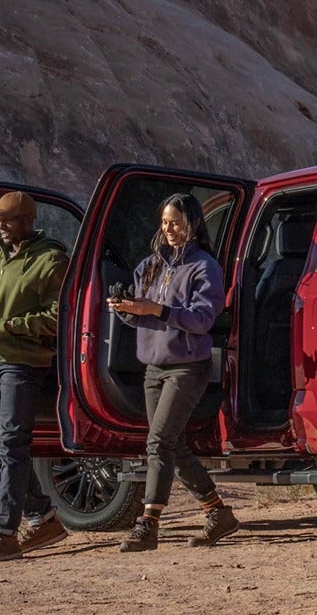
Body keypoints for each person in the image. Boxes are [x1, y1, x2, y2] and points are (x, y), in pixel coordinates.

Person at [107, 193, 240, 551]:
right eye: (164, 222)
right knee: (173, 445)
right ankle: (218, 512)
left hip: (188, 367)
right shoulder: (148, 266)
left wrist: (159, 310)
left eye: (176, 223)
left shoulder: (205, 268)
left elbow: (202, 320)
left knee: (159, 442)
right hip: (153, 367)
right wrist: (124, 307)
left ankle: (148, 524)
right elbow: (140, 314)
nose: (168, 229)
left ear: (193, 224)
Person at [0, 191, 72, 562]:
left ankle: (4, 532)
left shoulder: (51, 260)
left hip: (22, 365)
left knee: (13, 445)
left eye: (8, 219)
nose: (2, 225)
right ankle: (43, 517)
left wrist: (15, 326)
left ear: (28, 220)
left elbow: (61, 314)